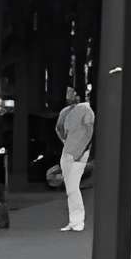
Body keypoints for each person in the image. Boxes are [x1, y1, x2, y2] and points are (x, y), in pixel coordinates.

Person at [54, 87, 95, 232]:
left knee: (72, 187)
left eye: (71, 92)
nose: (69, 95)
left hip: (78, 152)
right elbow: (59, 129)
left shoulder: (85, 111)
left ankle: (77, 221)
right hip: (70, 151)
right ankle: (75, 220)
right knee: (71, 187)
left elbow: (89, 132)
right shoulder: (66, 112)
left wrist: (80, 148)